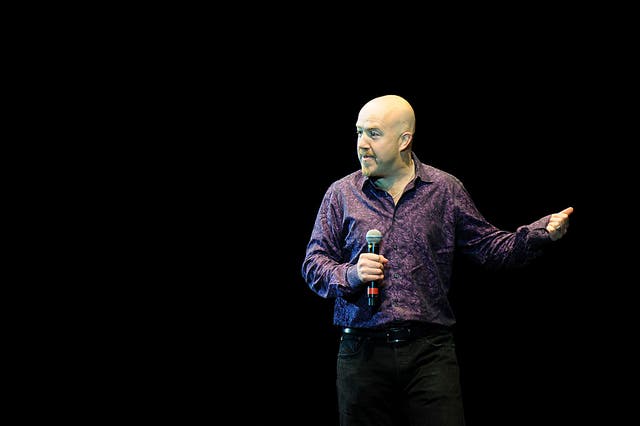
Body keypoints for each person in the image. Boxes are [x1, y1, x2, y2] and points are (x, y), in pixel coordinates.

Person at [300, 94, 573, 426]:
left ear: (404, 140)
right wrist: (351, 274)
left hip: (429, 354)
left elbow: (488, 248)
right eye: (358, 133)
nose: (362, 144)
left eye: (373, 133)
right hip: (362, 353)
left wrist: (539, 232)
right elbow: (314, 264)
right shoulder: (342, 194)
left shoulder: (444, 190)